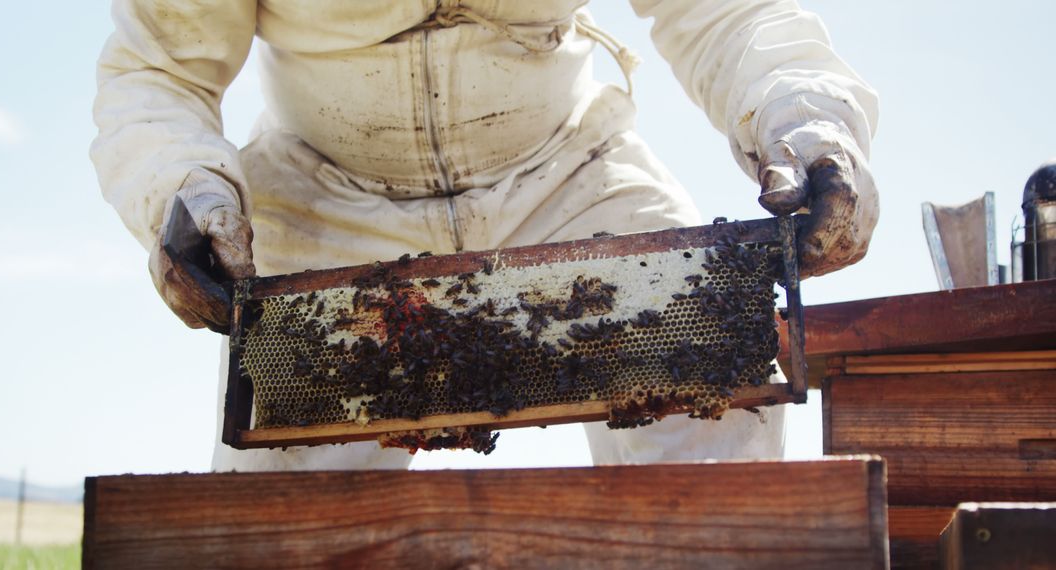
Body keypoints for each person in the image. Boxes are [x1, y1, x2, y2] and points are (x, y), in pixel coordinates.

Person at [92, 1, 878, 471]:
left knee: (713, 416)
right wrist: (181, 189)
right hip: (324, 198)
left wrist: (806, 122)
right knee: (279, 523)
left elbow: (724, 12)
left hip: (569, 177)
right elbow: (159, 71)